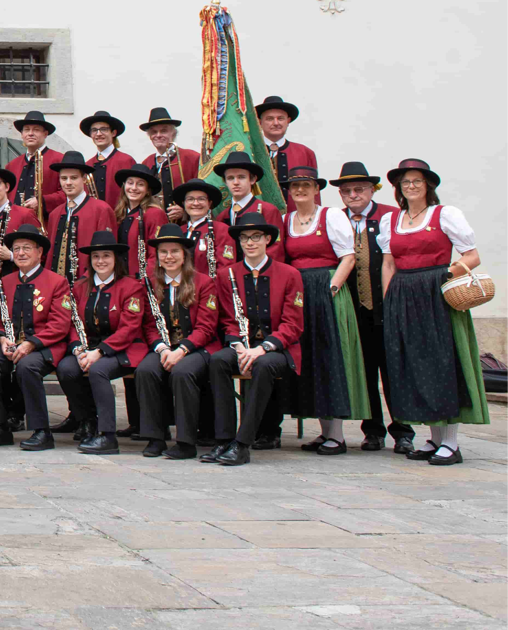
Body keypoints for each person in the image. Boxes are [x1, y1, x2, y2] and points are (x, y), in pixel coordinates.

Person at [380, 158, 489, 466]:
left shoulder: (445, 214)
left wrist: (445, 277)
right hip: (403, 294)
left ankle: (451, 444)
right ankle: (435, 439)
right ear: (399, 189)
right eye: (405, 182)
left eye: (417, 181)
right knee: (415, 365)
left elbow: (473, 255)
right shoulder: (393, 220)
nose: (411, 186)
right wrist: (390, 300)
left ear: (428, 185)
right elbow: (389, 263)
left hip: (436, 294)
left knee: (442, 363)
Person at [282, 166, 369, 455]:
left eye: (306, 185)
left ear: (316, 189)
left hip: (327, 290)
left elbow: (348, 257)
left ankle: (337, 435)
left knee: (331, 357)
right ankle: (325, 431)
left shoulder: (331, 215)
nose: (300, 190)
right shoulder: (287, 220)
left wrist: (330, 288)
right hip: (299, 296)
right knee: (310, 359)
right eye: (295, 186)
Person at [206, 213, 304, 466]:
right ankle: (223, 439)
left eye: (256, 237)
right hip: (242, 346)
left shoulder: (290, 274)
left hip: (277, 350)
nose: (250, 242)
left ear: (267, 239)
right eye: (245, 238)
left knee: (262, 366)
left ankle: (243, 443)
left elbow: (293, 324)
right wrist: (239, 346)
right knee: (218, 361)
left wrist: (261, 349)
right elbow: (228, 318)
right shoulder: (227, 274)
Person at [330, 162, 411, 453]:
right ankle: (372, 430)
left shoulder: (391, 216)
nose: (353, 195)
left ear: (371, 190)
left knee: (394, 371)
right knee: (364, 371)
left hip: (388, 306)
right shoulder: (337, 219)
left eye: (359, 189)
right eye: (346, 191)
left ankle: (403, 430)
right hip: (354, 310)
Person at [0, 224, 71, 450]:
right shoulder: (4, 282)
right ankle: (0, 427)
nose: (20, 253)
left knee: (28, 366)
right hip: (10, 344)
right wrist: (1, 339)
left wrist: (30, 343)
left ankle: (41, 431)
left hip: (44, 346)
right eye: (16, 249)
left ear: (40, 252)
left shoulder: (57, 282)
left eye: (27, 248)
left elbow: (60, 323)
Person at [56, 230, 149, 455]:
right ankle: (87, 421)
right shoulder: (79, 287)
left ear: (116, 259)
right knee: (66, 368)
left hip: (122, 348)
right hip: (87, 348)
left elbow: (130, 327)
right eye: (96, 256)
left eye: (106, 256)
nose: (101, 261)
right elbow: (71, 323)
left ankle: (108, 436)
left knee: (98, 371)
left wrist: (99, 351)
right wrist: (77, 348)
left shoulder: (131, 286)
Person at [134, 225, 221, 459]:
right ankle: (155, 437)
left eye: (174, 251)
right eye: (164, 252)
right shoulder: (150, 285)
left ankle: (186, 441)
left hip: (197, 348)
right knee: (145, 370)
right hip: (164, 348)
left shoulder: (203, 283)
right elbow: (148, 326)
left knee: (182, 373)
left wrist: (181, 350)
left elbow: (206, 327)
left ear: (185, 255)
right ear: (158, 257)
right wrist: (162, 348)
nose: (169, 257)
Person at [45, 152, 115, 281]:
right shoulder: (55, 214)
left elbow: (107, 254)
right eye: (64, 178)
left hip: (87, 285)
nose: (68, 183)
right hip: (57, 287)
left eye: (74, 177)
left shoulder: (101, 209)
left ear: (84, 179)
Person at [215, 151, 286, 262]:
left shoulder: (268, 210)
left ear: (252, 179)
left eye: (241, 177)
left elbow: (275, 248)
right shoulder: (222, 216)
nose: (236, 182)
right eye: (230, 178)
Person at [139, 107, 199, 224]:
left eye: (164, 131)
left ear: (173, 133)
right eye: (154, 132)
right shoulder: (146, 163)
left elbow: (202, 193)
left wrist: (185, 211)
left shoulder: (192, 158)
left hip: (184, 225)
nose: (158, 135)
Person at [6, 111, 65, 222]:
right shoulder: (11, 165)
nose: (31, 133)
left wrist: (42, 201)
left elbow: (68, 193)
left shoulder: (60, 160)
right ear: (22, 134)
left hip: (47, 223)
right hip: (16, 223)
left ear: (45, 134)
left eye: (36, 130)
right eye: (27, 130)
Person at [255, 96, 318, 197]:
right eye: (269, 119)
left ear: (288, 121)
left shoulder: (305, 153)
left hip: (296, 212)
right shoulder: (251, 151)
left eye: (280, 118)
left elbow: (314, 191)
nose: (276, 123)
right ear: (259, 122)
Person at [171, 180, 234, 279]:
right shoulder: (178, 231)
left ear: (209, 203)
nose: (196, 203)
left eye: (201, 199)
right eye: (190, 199)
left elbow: (225, 268)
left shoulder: (222, 230)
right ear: (183, 203)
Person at [113, 163, 167, 280]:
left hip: (142, 281)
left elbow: (156, 254)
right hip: (120, 280)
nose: (134, 188)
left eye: (140, 184)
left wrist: (146, 280)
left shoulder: (155, 214)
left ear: (148, 191)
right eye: (130, 182)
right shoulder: (119, 214)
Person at [80, 111, 135, 207]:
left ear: (113, 133)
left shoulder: (126, 160)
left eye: (103, 129)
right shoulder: (87, 165)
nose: (98, 134)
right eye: (94, 130)